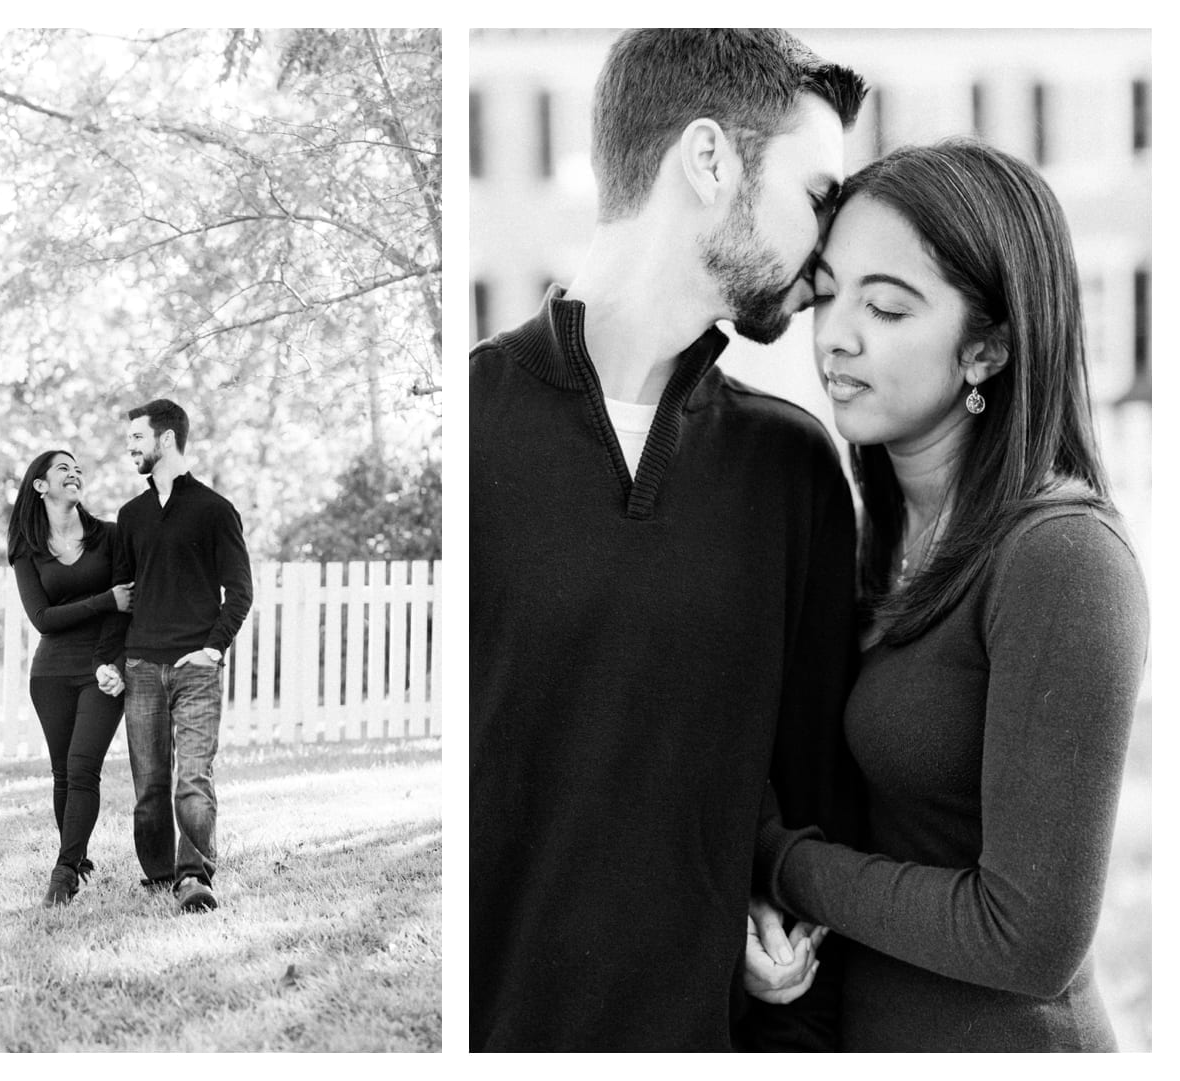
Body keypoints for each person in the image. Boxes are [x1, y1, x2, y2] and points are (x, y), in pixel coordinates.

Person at [469, 29, 868, 1051]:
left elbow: (811, 810)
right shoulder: (464, 422)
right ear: (708, 159)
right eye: (818, 198)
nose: (829, 257)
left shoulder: (794, 469)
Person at [745, 139, 1149, 1051]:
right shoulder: (869, 533)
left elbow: (1029, 937)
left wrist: (780, 861)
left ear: (987, 347)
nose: (835, 333)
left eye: (885, 307)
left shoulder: (1063, 559)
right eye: (827, 291)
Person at [95, 399, 253, 914]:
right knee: (149, 789)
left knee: (193, 780)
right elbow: (123, 597)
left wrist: (213, 649)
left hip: (196, 669)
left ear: (165, 440)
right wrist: (113, 660)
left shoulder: (214, 510)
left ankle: (194, 875)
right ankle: (161, 875)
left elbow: (240, 591)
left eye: (137, 437)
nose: (130, 447)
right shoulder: (131, 516)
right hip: (142, 667)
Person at [8, 450, 133, 908]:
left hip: (102, 671)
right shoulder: (27, 547)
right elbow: (43, 618)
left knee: (83, 768)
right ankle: (75, 856)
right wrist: (105, 600)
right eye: (63, 468)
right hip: (51, 672)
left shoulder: (112, 537)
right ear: (40, 486)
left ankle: (64, 874)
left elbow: (128, 609)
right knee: (62, 774)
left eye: (78, 468)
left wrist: (113, 662)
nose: (75, 473)